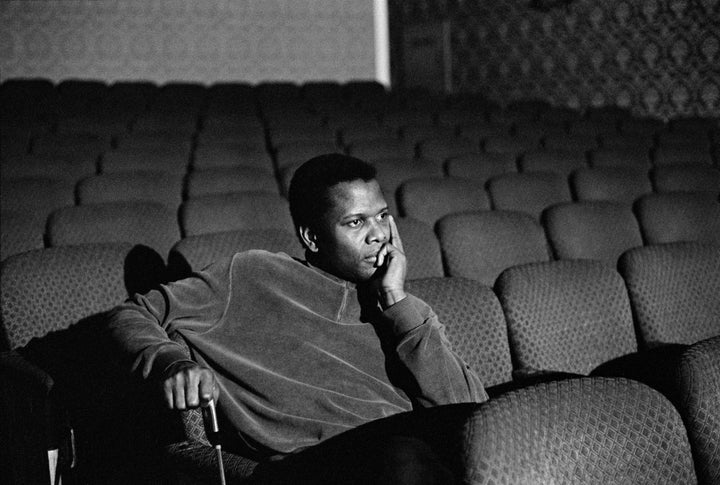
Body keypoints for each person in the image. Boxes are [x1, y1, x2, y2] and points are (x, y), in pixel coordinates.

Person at [108, 154, 488, 484]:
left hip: (407, 446)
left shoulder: (401, 308)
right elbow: (133, 313)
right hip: (314, 464)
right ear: (312, 237)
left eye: (383, 216)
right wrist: (169, 361)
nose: (379, 236)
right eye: (356, 223)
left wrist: (395, 299)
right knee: (406, 459)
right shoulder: (251, 275)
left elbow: (468, 414)